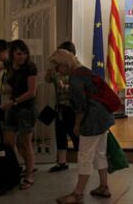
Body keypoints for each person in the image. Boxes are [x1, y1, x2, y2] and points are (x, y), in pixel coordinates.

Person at [50, 49, 114, 203]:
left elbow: (81, 107)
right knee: (100, 153)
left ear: (64, 64)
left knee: (85, 156)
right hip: (103, 116)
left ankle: (77, 194)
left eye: (56, 67)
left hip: (91, 120)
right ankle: (104, 187)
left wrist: (77, 125)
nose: (56, 71)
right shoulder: (84, 70)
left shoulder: (75, 78)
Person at [0, 39, 38, 190]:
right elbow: (0, 68)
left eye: (24, 53)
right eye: (18, 53)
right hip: (13, 108)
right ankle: (16, 168)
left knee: (25, 143)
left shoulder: (30, 67)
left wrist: (13, 101)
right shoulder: (11, 66)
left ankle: (29, 175)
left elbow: (31, 92)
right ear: (12, 54)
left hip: (26, 109)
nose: (22, 56)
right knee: (9, 141)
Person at [46, 41, 79, 172]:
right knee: (60, 134)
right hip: (60, 107)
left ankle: (82, 162)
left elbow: (75, 88)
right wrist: (50, 72)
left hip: (73, 108)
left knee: (76, 135)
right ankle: (62, 162)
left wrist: (63, 85)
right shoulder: (55, 69)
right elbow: (47, 80)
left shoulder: (76, 69)